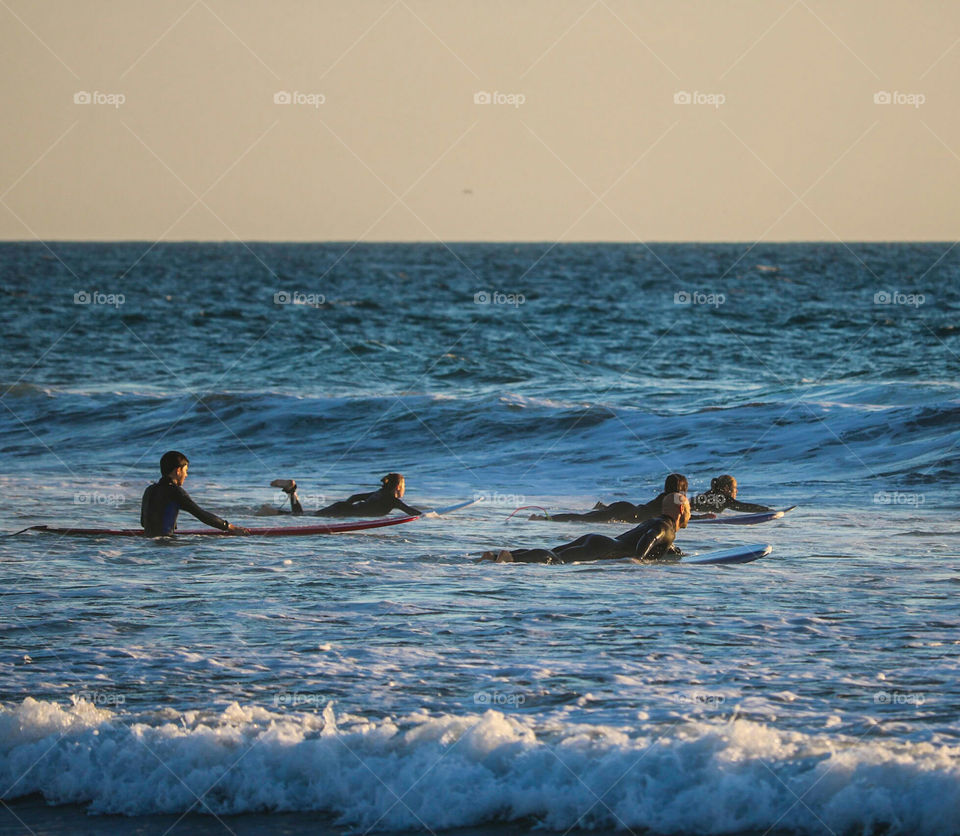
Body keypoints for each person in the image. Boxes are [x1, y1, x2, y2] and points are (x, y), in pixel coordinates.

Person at [483, 493, 690, 564]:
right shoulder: (666, 528)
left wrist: (673, 551)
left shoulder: (655, 521)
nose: (690, 514)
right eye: (689, 510)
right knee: (556, 560)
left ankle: (498, 556)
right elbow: (651, 538)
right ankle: (510, 558)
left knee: (555, 554)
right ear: (681, 509)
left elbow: (650, 537)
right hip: (603, 548)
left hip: (599, 541)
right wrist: (638, 561)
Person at [140, 451, 247, 536]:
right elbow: (201, 514)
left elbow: (143, 523)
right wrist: (231, 527)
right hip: (166, 546)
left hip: (149, 543)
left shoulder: (149, 489)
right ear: (178, 471)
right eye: (185, 471)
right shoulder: (175, 491)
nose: (186, 475)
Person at [530, 473, 688, 523]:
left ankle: (546, 518)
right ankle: (544, 519)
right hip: (629, 513)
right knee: (584, 519)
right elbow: (680, 515)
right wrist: (701, 517)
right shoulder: (673, 500)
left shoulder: (664, 497)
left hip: (628, 508)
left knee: (585, 517)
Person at [265, 472, 422, 517]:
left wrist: (348, 508)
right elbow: (410, 512)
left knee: (305, 515)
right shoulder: (391, 499)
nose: (404, 489)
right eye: (404, 486)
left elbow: (354, 498)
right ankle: (274, 510)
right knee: (301, 516)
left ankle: (291, 492)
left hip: (343, 508)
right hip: (342, 510)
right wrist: (429, 515)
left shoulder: (378, 493)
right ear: (398, 487)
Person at [691, 475, 771, 514]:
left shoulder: (711, 494)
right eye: (735, 488)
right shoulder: (723, 499)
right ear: (726, 488)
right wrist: (766, 510)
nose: (737, 491)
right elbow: (744, 507)